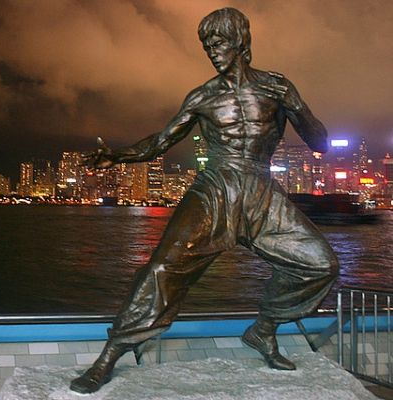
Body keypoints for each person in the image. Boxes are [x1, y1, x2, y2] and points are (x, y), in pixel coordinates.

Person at [70, 7, 339, 394]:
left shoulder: (276, 88)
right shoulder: (201, 97)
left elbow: (321, 143)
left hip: (261, 192)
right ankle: (108, 358)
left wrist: (295, 104)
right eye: (206, 46)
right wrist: (118, 155)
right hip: (215, 188)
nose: (211, 51)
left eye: (218, 43)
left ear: (240, 42)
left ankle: (264, 330)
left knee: (320, 264)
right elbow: (160, 142)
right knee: (162, 269)